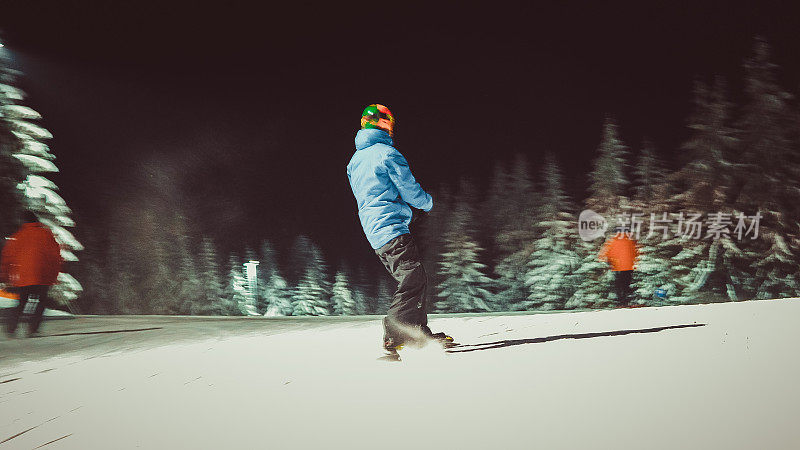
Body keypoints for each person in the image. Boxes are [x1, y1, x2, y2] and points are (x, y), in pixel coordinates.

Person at [346, 104, 453, 356]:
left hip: (374, 231)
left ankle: (416, 330)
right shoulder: (386, 154)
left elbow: (368, 194)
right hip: (391, 226)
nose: (392, 129)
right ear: (382, 124)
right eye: (389, 123)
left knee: (414, 276)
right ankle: (393, 332)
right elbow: (409, 189)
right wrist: (427, 202)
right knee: (412, 277)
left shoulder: (354, 161)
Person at [1, 211, 62, 337]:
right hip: (42, 277)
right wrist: (54, 276)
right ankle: (33, 329)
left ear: (24, 222)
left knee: (22, 302)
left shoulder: (19, 236)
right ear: (37, 221)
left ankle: (11, 329)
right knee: (41, 302)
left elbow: (7, 257)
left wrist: (4, 276)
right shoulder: (46, 234)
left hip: (23, 277)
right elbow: (55, 257)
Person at [598, 226, 638, 307]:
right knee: (627, 284)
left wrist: (608, 262)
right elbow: (636, 253)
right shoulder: (631, 242)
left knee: (619, 285)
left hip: (617, 267)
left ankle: (621, 301)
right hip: (629, 267)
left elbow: (604, 254)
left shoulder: (613, 242)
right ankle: (627, 300)